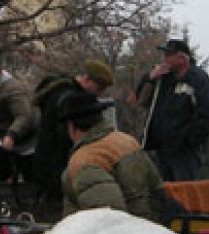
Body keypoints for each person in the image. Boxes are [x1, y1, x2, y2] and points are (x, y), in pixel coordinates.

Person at [59, 91, 166, 223]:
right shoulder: (126, 140)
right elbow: (158, 191)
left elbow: (108, 220)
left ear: (71, 126)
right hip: (152, 229)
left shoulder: (84, 161)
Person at [137, 38, 209, 182]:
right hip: (161, 149)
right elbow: (141, 100)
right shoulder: (162, 80)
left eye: (169, 55)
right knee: (164, 193)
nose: (165, 59)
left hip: (185, 152)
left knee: (185, 194)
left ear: (182, 58)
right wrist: (150, 78)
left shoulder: (198, 80)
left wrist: (188, 141)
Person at [30, 59, 114, 202]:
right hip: (60, 168)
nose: (99, 95)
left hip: (46, 164)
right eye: (99, 89)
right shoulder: (75, 100)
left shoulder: (57, 92)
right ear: (87, 80)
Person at [0, 50, 39, 183]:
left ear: (0, 72)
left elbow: (24, 115)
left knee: (30, 185)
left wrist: (11, 135)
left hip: (29, 147)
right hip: (9, 145)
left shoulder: (13, 90)